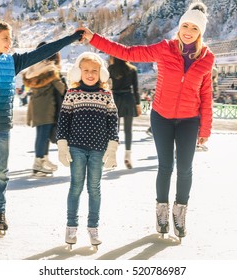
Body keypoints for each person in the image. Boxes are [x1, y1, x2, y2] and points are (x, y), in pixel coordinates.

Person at [78, 1, 214, 239]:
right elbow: (128, 53)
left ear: (200, 31)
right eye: (185, 25)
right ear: (180, 26)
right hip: (161, 116)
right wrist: (94, 39)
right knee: (165, 167)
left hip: (189, 120)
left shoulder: (206, 57)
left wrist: (206, 127)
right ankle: (161, 211)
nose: (188, 31)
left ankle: (180, 214)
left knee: (185, 169)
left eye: (194, 28)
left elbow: (206, 94)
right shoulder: (165, 48)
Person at [0, 20, 83, 235]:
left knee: (0, 174)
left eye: (11, 38)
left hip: (2, 128)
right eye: (5, 38)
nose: (10, 42)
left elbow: (45, 50)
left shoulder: (12, 62)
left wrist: (72, 38)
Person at [56, 52, 119, 247]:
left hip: (98, 149)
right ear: (78, 72)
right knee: (76, 186)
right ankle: (71, 226)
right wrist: (62, 145)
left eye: (94, 70)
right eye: (86, 70)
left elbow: (113, 121)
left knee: (94, 189)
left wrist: (112, 146)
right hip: (76, 148)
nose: (90, 74)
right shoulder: (72, 94)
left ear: (101, 73)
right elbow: (63, 119)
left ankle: (93, 228)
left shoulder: (106, 95)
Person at [23, 43, 65, 175]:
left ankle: (44, 159)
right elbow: (62, 89)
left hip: (36, 108)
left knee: (42, 135)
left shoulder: (33, 70)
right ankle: (38, 163)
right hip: (47, 109)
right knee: (42, 136)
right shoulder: (50, 71)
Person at [108, 57, 141, 169]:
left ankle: (112, 157)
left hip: (115, 99)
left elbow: (107, 86)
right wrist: (138, 104)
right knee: (128, 130)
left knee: (114, 129)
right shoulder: (132, 69)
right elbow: (136, 89)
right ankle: (127, 155)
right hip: (128, 99)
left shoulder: (111, 69)